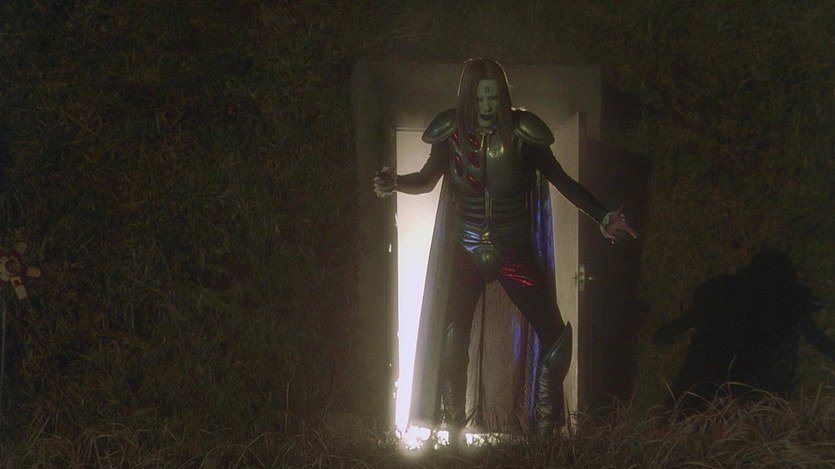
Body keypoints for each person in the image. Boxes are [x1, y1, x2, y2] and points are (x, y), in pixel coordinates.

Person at [374, 58, 637, 439]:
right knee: (452, 339)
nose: (487, 106)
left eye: (493, 97)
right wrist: (396, 182)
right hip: (465, 249)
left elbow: (562, 181)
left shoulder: (523, 134)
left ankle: (544, 432)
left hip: (513, 249)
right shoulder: (450, 133)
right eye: (481, 98)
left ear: (503, 97)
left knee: (555, 336)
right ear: (469, 97)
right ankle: (453, 432)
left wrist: (603, 215)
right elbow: (427, 179)